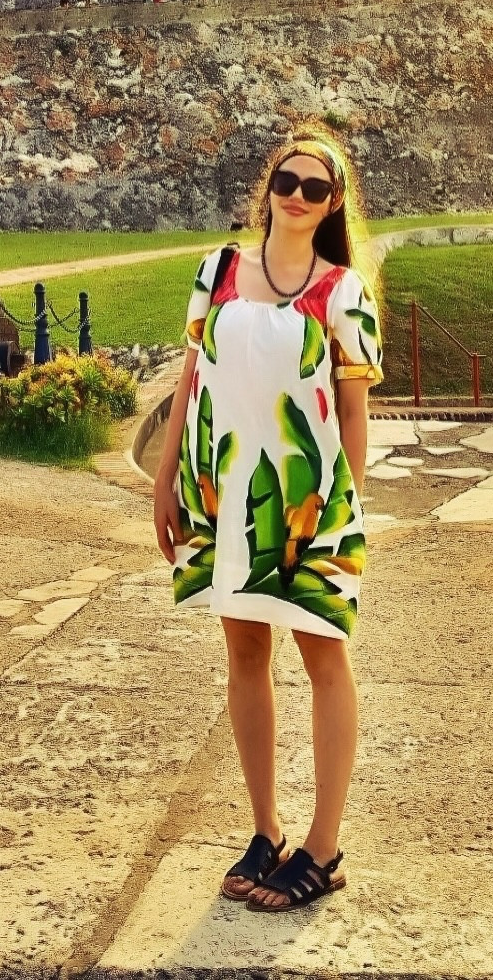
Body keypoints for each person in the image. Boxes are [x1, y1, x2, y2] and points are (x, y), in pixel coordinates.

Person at [153, 132, 383, 913]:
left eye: (314, 187)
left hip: (305, 503)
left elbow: (353, 416)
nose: (296, 194)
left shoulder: (343, 292)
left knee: (325, 661)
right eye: (286, 180)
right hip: (224, 497)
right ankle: (266, 830)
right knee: (245, 653)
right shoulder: (218, 272)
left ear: (333, 202)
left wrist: (341, 511)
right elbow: (191, 381)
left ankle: (324, 846)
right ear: (270, 188)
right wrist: (165, 480)